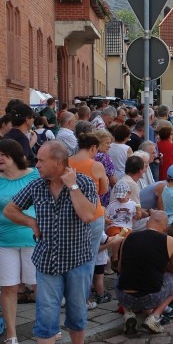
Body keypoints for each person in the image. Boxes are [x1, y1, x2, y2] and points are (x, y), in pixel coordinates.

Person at [3, 141, 98, 344]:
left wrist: (72, 186)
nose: (36, 164)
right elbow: (10, 210)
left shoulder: (84, 182)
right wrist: (31, 222)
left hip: (77, 261)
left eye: (41, 160)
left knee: (77, 314)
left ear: (58, 162)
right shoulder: (37, 185)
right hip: (46, 261)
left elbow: (88, 215)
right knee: (45, 319)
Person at [0, 139, 40, 344]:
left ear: (15, 155)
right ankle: (11, 334)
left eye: (3, 154)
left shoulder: (35, 175)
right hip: (2, 240)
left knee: (38, 285)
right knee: (8, 288)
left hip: (32, 238)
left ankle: (44, 327)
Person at [116, 210, 173, 334]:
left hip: (124, 296)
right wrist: (164, 265)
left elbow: (120, 268)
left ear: (147, 222)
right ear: (165, 227)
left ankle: (129, 314)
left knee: (120, 277)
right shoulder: (168, 240)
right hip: (150, 298)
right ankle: (154, 317)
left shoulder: (129, 237)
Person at [67, 133, 109, 311]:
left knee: (70, 257)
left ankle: (67, 295)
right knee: (88, 259)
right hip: (93, 214)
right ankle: (81, 300)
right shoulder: (96, 165)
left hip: (70, 214)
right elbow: (104, 189)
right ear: (93, 147)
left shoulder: (67, 162)